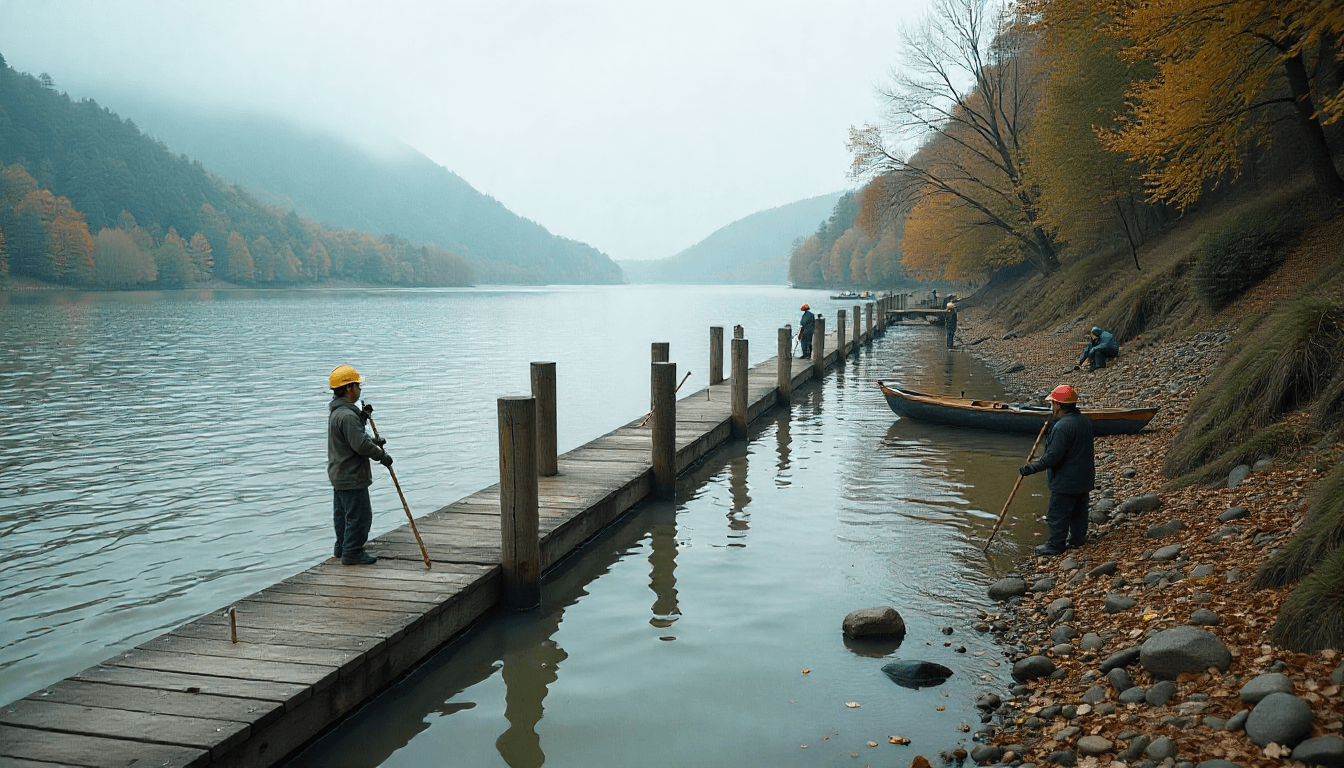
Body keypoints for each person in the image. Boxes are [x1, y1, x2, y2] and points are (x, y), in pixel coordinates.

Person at [1019, 384, 1095, 556]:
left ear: (1059, 406)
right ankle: (1077, 539)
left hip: (1066, 481)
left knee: (1057, 515)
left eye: (1053, 403)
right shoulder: (1084, 421)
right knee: (1079, 512)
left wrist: (1031, 468)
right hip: (1084, 478)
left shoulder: (1062, 428)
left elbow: (1052, 458)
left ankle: (1056, 545)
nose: (1052, 407)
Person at [328, 364, 393, 566]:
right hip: (352, 476)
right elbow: (360, 445)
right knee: (359, 516)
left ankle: (342, 547)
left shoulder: (338, 413)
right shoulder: (347, 416)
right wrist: (381, 455)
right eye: (357, 386)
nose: (360, 390)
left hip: (339, 475)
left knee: (343, 515)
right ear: (349, 388)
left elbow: (352, 441)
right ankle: (352, 552)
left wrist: (365, 427)